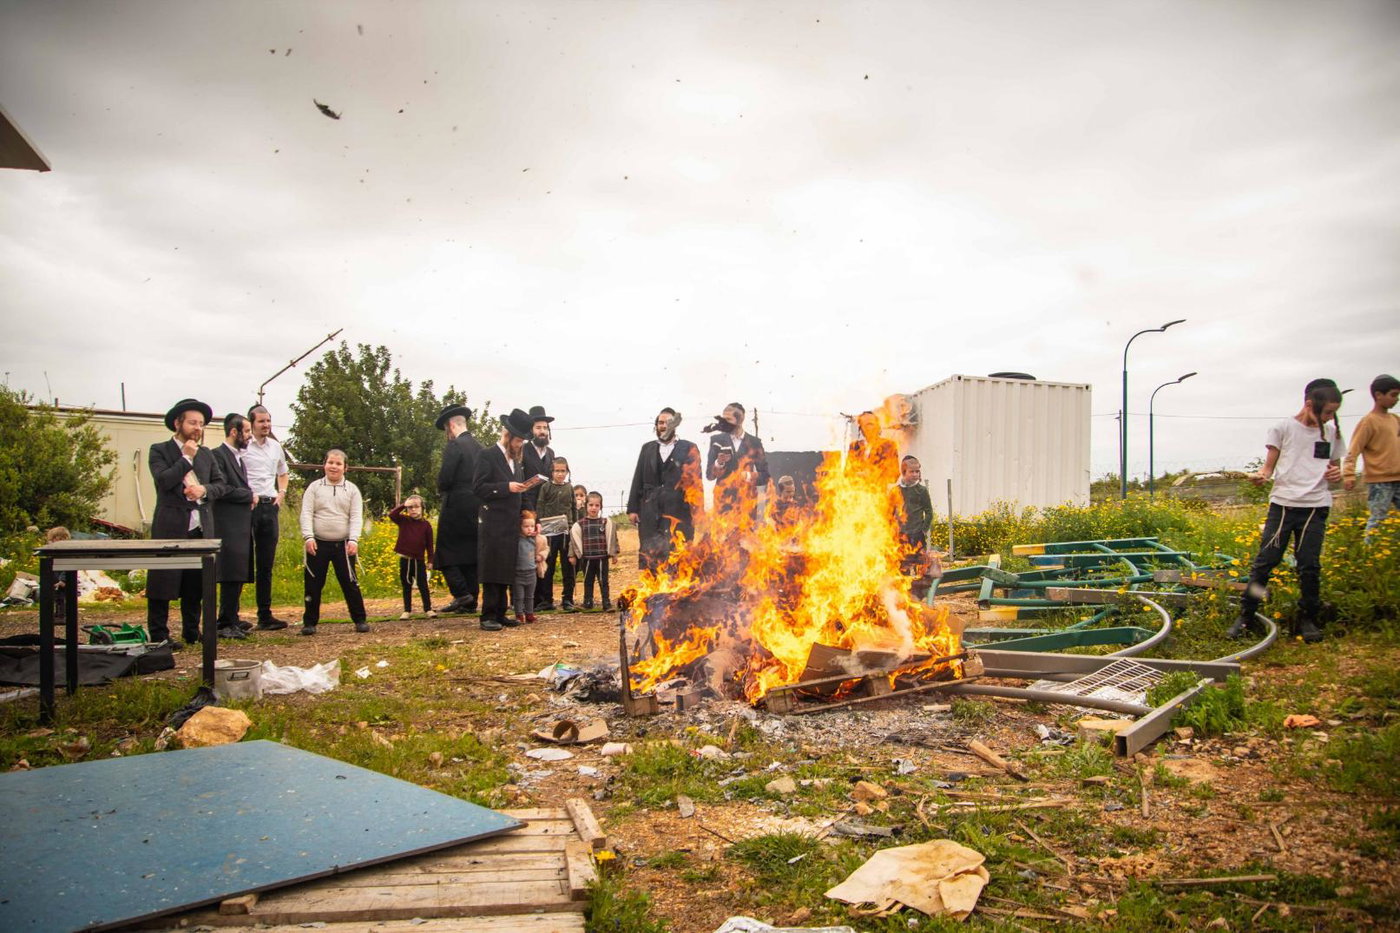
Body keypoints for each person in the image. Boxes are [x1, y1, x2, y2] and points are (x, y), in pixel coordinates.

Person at [1229, 379, 1344, 644]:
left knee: (1309, 565)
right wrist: (1261, 475)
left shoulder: (1332, 433)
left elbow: (1334, 469)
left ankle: (1308, 618)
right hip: (1283, 506)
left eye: (1333, 412)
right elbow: (1268, 468)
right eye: (1326, 411)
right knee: (1265, 563)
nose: (1329, 417)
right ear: (1308, 404)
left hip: (1316, 507)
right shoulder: (1283, 428)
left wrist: (1336, 473)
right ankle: (1247, 615)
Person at [147, 398, 229, 647]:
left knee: (196, 584)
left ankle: (192, 632)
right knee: (163, 581)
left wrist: (203, 490)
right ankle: (159, 634)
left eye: (201, 424)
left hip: (200, 527)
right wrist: (185, 458)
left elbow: (221, 484)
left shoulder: (206, 454)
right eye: (193, 422)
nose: (197, 428)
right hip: (171, 525)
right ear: (177, 423)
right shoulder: (160, 450)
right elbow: (164, 481)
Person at [474, 408, 536, 631]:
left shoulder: (516, 463)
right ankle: (487, 615)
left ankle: (501, 613)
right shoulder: (487, 455)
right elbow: (478, 487)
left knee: (506, 569)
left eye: (522, 441)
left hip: (511, 524)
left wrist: (530, 515)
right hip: (493, 522)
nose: (520, 445)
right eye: (518, 440)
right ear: (507, 436)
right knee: (492, 569)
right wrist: (505, 487)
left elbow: (522, 492)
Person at [299, 449, 369, 635]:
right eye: (330, 462)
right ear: (324, 465)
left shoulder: (352, 490)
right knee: (313, 585)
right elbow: (306, 513)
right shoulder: (314, 487)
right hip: (317, 544)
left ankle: (360, 620)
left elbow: (356, 517)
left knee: (350, 583)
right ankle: (310, 623)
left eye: (338, 464)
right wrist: (308, 536)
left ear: (345, 468)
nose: (334, 466)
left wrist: (354, 539)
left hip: (343, 545)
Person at [627, 407, 704, 571]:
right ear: (656, 426)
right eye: (660, 423)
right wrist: (632, 508)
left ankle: (677, 594)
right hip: (650, 510)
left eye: (668, 422)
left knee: (678, 555)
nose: (664, 426)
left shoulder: (689, 448)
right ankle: (654, 593)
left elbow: (696, 482)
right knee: (651, 554)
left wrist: (698, 510)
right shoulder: (647, 448)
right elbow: (638, 477)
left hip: (679, 509)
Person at [243, 404, 290, 630]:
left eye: (268, 421)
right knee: (241, 561)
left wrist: (281, 494)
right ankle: (229, 616)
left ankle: (265, 614)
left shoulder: (275, 447)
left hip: (269, 506)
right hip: (246, 507)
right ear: (251, 423)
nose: (266, 425)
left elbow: (283, 472)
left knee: (265, 564)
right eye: (261, 421)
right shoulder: (243, 447)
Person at [433, 405, 484, 614]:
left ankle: (461, 594)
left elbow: (445, 479)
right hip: (477, 505)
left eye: (446, 428)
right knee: (470, 554)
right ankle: (471, 601)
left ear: (451, 425)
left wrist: (441, 488)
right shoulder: (480, 447)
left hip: (455, 505)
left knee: (445, 553)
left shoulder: (455, 446)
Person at [210, 413, 256, 639]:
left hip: (240, 523)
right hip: (226, 522)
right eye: (246, 431)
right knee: (229, 571)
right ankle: (224, 622)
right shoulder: (217, 456)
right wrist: (248, 495)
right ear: (234, 432)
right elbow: (221, 488)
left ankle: (233, 616)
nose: (249, 435)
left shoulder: (239, 458)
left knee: (238, 571)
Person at [1342, 374, 1400, 542]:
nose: (1396, 400)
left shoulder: (1395, 420)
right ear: (1378, 395)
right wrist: (1349, 474)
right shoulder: (1369, 422)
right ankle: (1370, 553)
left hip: (1398, 477)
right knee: (1378, 519)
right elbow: (1354, 449)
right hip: (1379, 480)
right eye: (1393, 395)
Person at [705, 403, 770, 518]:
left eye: (728, 419)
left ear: (740, 420)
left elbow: (765, 476)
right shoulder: (716, 440)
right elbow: (709, 476)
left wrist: (748, 476)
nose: (723, 423)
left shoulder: (755, 443)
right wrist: (719, 463)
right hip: (722, 504)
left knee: (746, 536)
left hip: (747, 504)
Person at [534, 457, 579, 611]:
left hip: (567, 532)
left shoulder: (569, 488)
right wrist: (539, 525)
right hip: (549, 534)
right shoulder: (546, 487)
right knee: (549, 566)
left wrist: (575, 527)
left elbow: (574, 508)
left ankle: (567, 599)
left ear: (567, 472)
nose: (560, 474)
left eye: (563, 471)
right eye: (557, 471)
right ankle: (547, 600)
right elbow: (540, 506)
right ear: (552, 472)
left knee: (568, 566)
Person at [896, 456, 938, 601]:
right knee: (903, 566)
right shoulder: (896, 491)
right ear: (903, 472)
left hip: (917, 535)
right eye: (912, 472)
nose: (915, 474)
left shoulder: (921, 491)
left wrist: (924, 529)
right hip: (901, 535)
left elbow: (929, 512)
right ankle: (904, 595)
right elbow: (889, 512)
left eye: (917, 472)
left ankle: (920, 596)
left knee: (922, 565)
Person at [569, 491, 619, 610]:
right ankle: (587, 602)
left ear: (601, 507)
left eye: (597, 505)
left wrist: (614, 554)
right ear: (586, 506)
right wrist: (572, 555)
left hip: (602, 557)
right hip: (587, 558)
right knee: (588, 580)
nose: (593, 508)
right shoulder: (580, 524)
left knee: (603, 581)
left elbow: (613, 539)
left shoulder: (605, 523)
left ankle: (606, 603)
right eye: (591, 505)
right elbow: (573, 541)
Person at [389, 495, 436, 619]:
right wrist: (403, 505)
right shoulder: (403, 520)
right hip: (405, 559)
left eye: (416, 507)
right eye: (410, 507)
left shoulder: (426, 525)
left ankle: (428, 609)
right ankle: (407, 610)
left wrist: (430, 560)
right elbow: (392, 515)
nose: (413, 510)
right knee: (406, 585)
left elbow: (430, 545)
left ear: (422, 508)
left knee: (423, 585)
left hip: (418, 560)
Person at [514, 510, 549, 625]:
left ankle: (529, 613)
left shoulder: (537, 539)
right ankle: (519, 614)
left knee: (530, 596)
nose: (529, 529)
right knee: (519, 597)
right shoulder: (517, 540)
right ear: (520, 527)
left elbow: (546, 548)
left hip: (531, 572)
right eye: (526, 526)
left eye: (532, 526)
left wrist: (541, 556)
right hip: (518, 573)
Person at [849, 411, 900, 483]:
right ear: (860, 429)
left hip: (878, 491)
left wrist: (873, 475)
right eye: (864, 425)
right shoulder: (854, 446)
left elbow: (895, 474)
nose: (867, 428)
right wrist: (856, 476)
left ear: (878, 426)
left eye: (870, 424)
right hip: (856, 490)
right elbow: (847, 473)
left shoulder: (888, 445)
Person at [522, 406, 556, 512]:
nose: (542, 431)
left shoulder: (551, 453)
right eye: (538, 428)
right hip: (527, 508)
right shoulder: (522, 450)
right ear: (531, 430)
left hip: (547, 508)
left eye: (545, 428)